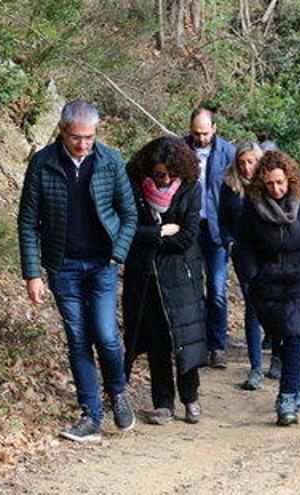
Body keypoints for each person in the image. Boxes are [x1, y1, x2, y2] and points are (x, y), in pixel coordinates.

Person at [17, 99, 138, 442]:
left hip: (102, 264)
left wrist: (118, 253)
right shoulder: (42, 164)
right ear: (62, 131)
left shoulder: (110, 161)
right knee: (78, 340)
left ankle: (117, 392)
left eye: (89, 137)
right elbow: (28, 222)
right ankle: (91, 416)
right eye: (76, 137)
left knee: (106, 335)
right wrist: (33, 273)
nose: (84, 144)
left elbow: (129, 214)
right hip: (63, 266)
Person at [237, 150, 300, 426]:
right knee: (280, 336)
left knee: (295, 332)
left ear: (290, 179)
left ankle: (286, 397)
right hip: (267, 279)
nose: (276, 189)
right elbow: (243, 243)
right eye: (269, 184)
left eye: (280, 182)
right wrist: (251, 273)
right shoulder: (253, 205)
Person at [122, 137, 206, 425]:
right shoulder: (134, 186)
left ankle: (190, 398)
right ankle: (163, 402)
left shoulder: (192, 187)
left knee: (185, 336)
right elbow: (129, 231)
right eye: (159, 175)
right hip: (146, 274)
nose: (165, 179)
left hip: (182, 273)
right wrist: (159, 233)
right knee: (156, 338)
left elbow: (187, 237)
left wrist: (153, 237)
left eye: (170, 174)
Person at [184, 106, 237, 369]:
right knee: (192, 289)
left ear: (214, 129)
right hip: (190, 229)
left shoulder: (228, 153)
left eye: (205, 133)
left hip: (217, 231)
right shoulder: (181, 149)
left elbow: (237, 192)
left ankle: (217, 345)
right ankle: (197, 344)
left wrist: (233, 231)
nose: (201, 138)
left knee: (216, 289)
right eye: (196, 133)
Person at [220, 141, 268, 390]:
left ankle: (278, 359)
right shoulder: (230, 186)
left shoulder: (271, 183)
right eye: (242, 163)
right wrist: (228, 241)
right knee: (253, 307)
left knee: (274, 307)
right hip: (244, 253)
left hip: (270, 253)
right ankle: (256, 366)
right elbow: (223, 219)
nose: (247, 167)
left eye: (251, 162)